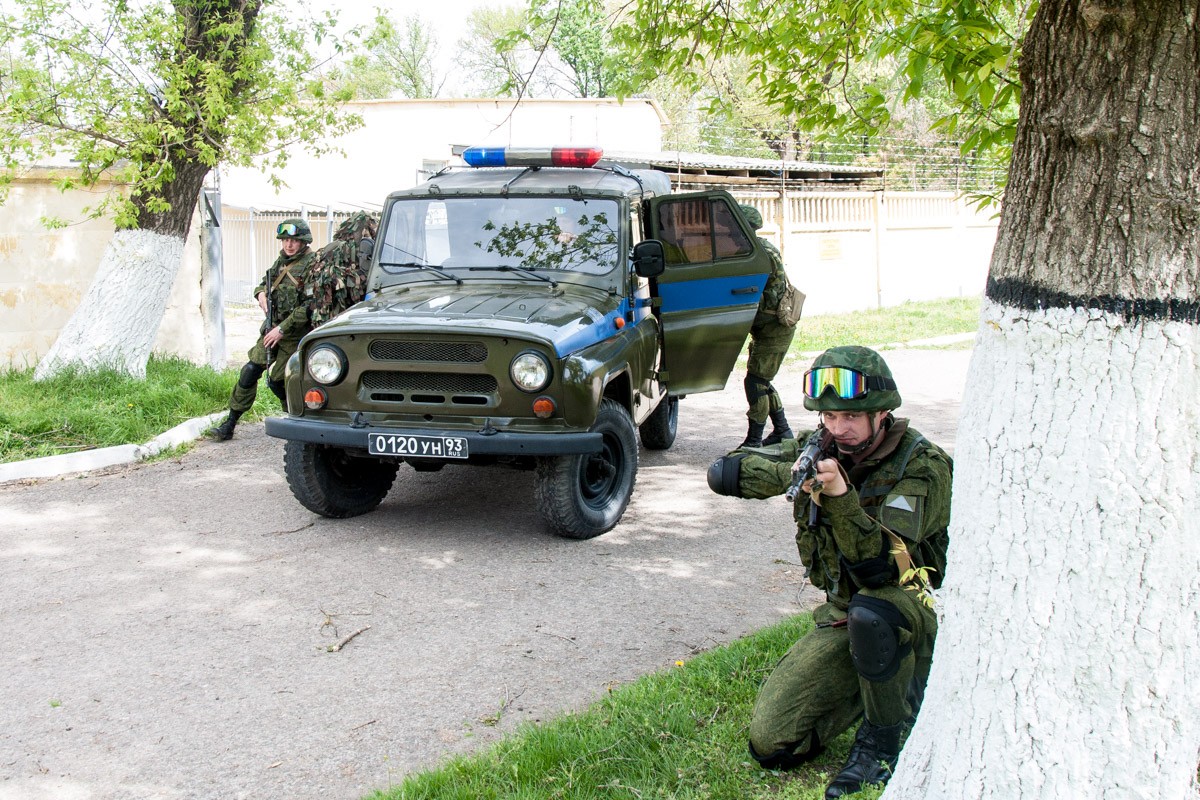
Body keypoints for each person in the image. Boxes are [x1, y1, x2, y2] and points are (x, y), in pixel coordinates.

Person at [711, 346, 952, 798]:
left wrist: (840, 495)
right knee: (773, 744)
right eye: (829, 416)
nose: (838, 428)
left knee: (874, 612)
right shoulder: (820, 446)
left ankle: (883, 741)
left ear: (881, 414)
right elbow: (733, 471)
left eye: (850, 417)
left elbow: (880, 566)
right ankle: (881, 680)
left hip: (913, 607)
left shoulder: (922, 467)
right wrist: (782, 474)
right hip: (848, 613)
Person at [210, 218, 318, 441]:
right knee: (250, 370)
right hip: (272, 329)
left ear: (303, 241)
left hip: (295, 335)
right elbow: (264, 283)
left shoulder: (311, 264)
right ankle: (230, 423)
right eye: (285, 240)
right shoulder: (281, 262)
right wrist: (260, 293)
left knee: (278, 380)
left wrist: (282, 330)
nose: (289, 245)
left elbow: (309, 306)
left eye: (293, 240)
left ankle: (297, 420)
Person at [739, 204, 801, 448]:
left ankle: (754, 440)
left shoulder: (760, 252)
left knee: (755, 383)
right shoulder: (757, 248)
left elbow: (766, 294)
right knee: (761, 381)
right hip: (769, 328)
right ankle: (782, 431)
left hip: (776, 328)